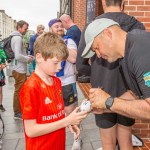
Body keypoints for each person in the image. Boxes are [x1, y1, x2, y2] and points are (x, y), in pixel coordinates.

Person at [78, 1, 145, 150]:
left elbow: (80, 65)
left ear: (103, 3)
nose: (99, 54)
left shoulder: (92, 27)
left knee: (108, 144)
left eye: (96, 48)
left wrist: (95, 74)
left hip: (103, 87)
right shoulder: (136, 29)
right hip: (126, 92)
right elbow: (136, 90)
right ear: (122, 3)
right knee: (126, 141)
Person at [20, 32, 88, 150]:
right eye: (56, 62)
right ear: (39, 57)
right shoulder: (30, 87)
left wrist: (69, 122)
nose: (60, 67)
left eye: (62, 62)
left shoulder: (56, 81)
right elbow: (31, 131)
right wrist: (66, 121)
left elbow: (56, 114)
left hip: (58, 144)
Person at [82, 18, 150, 121]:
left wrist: (108, 102)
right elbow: (134, 95)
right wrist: (104, 107)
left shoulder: (140, 50)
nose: (98, 55)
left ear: (108, 33)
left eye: (96, 48)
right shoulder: (125, 57)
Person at [48, 18, 82, 150]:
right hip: (50, 82)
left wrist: (60, 44)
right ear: (50, 29)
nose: (59, 28)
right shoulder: (47, 43)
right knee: (53, 112)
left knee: (71, 112)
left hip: (67, 82)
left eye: (61, 26)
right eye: (56, 26)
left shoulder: (69, 41)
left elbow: (73, 58)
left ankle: (76, 139)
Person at [11, 20, 33, 120]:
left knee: (19, 90)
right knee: (19, 91)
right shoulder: (18, 38)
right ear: (19, 28)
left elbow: (19, 53)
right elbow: (17, 56)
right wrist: (28, 59)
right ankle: (17, 112)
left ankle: (19, 110)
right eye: (25, 28)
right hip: (19, 69)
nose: (26, 30)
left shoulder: (16, 37)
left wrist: (27, 55)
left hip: (18, 68)